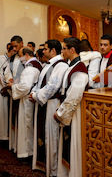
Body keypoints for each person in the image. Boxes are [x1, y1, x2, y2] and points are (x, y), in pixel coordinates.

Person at [29, 39, 68, 176]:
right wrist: (34, 92)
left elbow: (52, 86)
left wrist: (35, 95)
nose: (43, 51)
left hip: (51, 104)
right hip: (43, 103)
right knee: (43, 134)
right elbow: (39, 83)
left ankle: (53, 170)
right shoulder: (48, 64)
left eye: (45, 49)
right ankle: (45, 165)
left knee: (51, 136)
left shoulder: (61, 65)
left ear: (53, 50)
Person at [54, 37, 88, 177]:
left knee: (72, 143)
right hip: (68, 110)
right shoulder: (71, 66)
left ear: (72, 50)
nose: (62, 51)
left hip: (75, 113)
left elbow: (75, 95)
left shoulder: (80, 68)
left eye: (64, 48)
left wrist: (61, 113)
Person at [7, 47, 42, 159]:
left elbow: (25, 87)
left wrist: (13, 86)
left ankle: (28, 152)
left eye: (20, 56)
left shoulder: (29, 68)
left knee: (27, 126)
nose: (20, 59)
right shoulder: (37, 64)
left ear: (27, 55)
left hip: (27, 100)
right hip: (31, 98)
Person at [4, 35, 25, 152]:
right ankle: (15, 145)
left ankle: (23, 148)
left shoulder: (26, 56)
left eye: (16, 46)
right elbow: (7, 71)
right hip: (13, 91)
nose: (14, 49)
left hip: (22, 92)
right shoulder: (12, 58)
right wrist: (9, 79)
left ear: (22, 43)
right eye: (12, 47)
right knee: (14, 118)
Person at [0, 44, 15, 140]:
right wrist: (6, 85)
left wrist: (11, 81)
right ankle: (1, 135)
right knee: (1, 110)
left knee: (7, 111)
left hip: (10, 88)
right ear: (11, 50)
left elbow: (9, 73)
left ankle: (8, 133)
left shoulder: (14, 60)